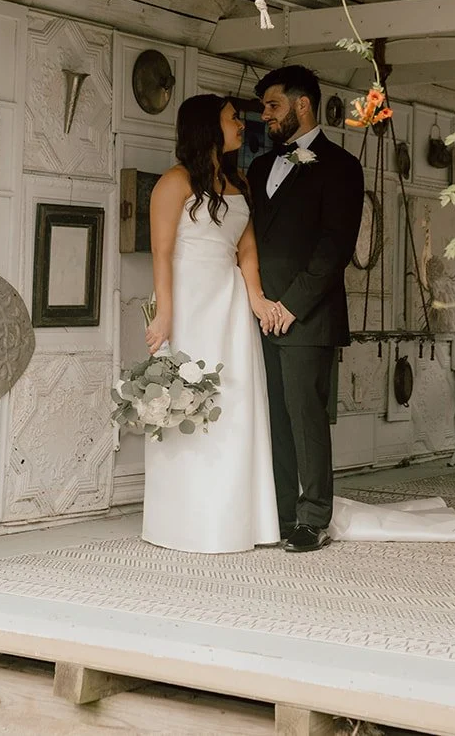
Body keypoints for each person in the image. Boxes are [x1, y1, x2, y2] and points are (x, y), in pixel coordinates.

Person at [139, 94, 282, 553]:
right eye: (233, 118)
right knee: (187, 404)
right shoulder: (174, 182)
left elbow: (246, 249)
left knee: (235, 404)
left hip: (230, 304)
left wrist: (257, 299)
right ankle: (182, 520)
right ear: (207, 127)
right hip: (190, 303)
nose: (242, 124)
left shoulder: (237, 181)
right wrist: (164, 312)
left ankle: (237, 519)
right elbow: (160, 252)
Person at [247, 66, 364, 553]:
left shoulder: (342, 166)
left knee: (305, 419)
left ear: (303, 105)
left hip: (307, 317)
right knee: (270, 420)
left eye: (273, 106)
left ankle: (313, 517)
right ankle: (277, 513)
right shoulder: (256, 169)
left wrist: (289, 306)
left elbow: (333, 249)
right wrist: (259, 302)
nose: (265, 116)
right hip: (257, 314)